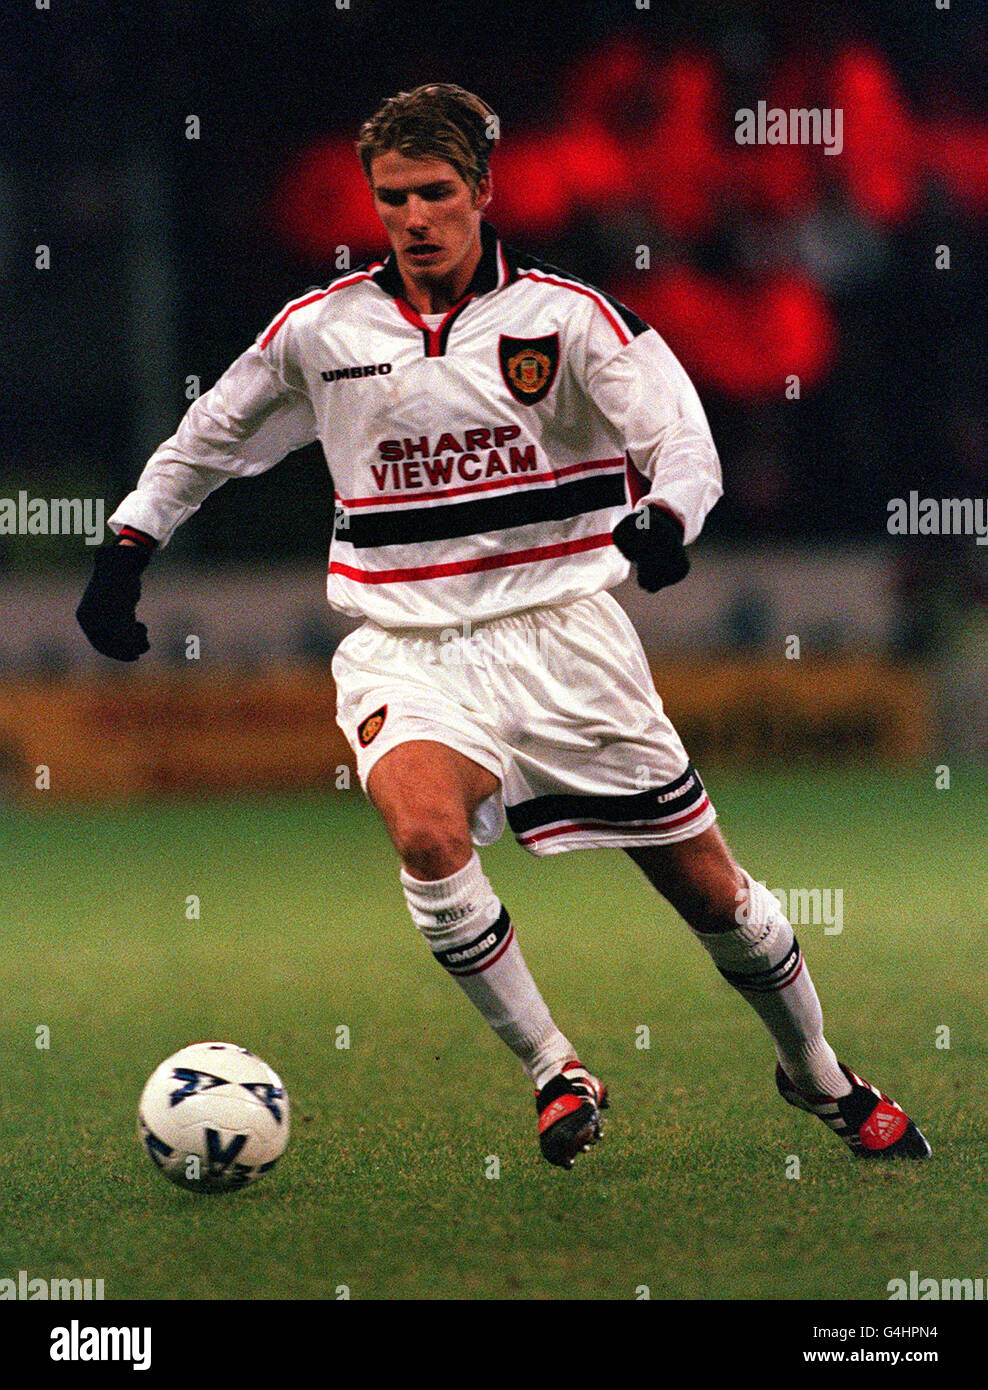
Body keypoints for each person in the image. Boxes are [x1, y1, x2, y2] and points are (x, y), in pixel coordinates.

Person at [77, 83, 930, 1168]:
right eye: (392, 199)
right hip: (407, 646)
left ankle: (814, 1069)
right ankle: (553, 1067)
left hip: (565, 636)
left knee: (714, 895)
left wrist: (668, 518)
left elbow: (683, 440)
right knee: (427, 838)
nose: (413, 218)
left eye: (434, 193)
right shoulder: (321, 331)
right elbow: (208, 438)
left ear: (482, 191)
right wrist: (126, 547)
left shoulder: (569, 321)